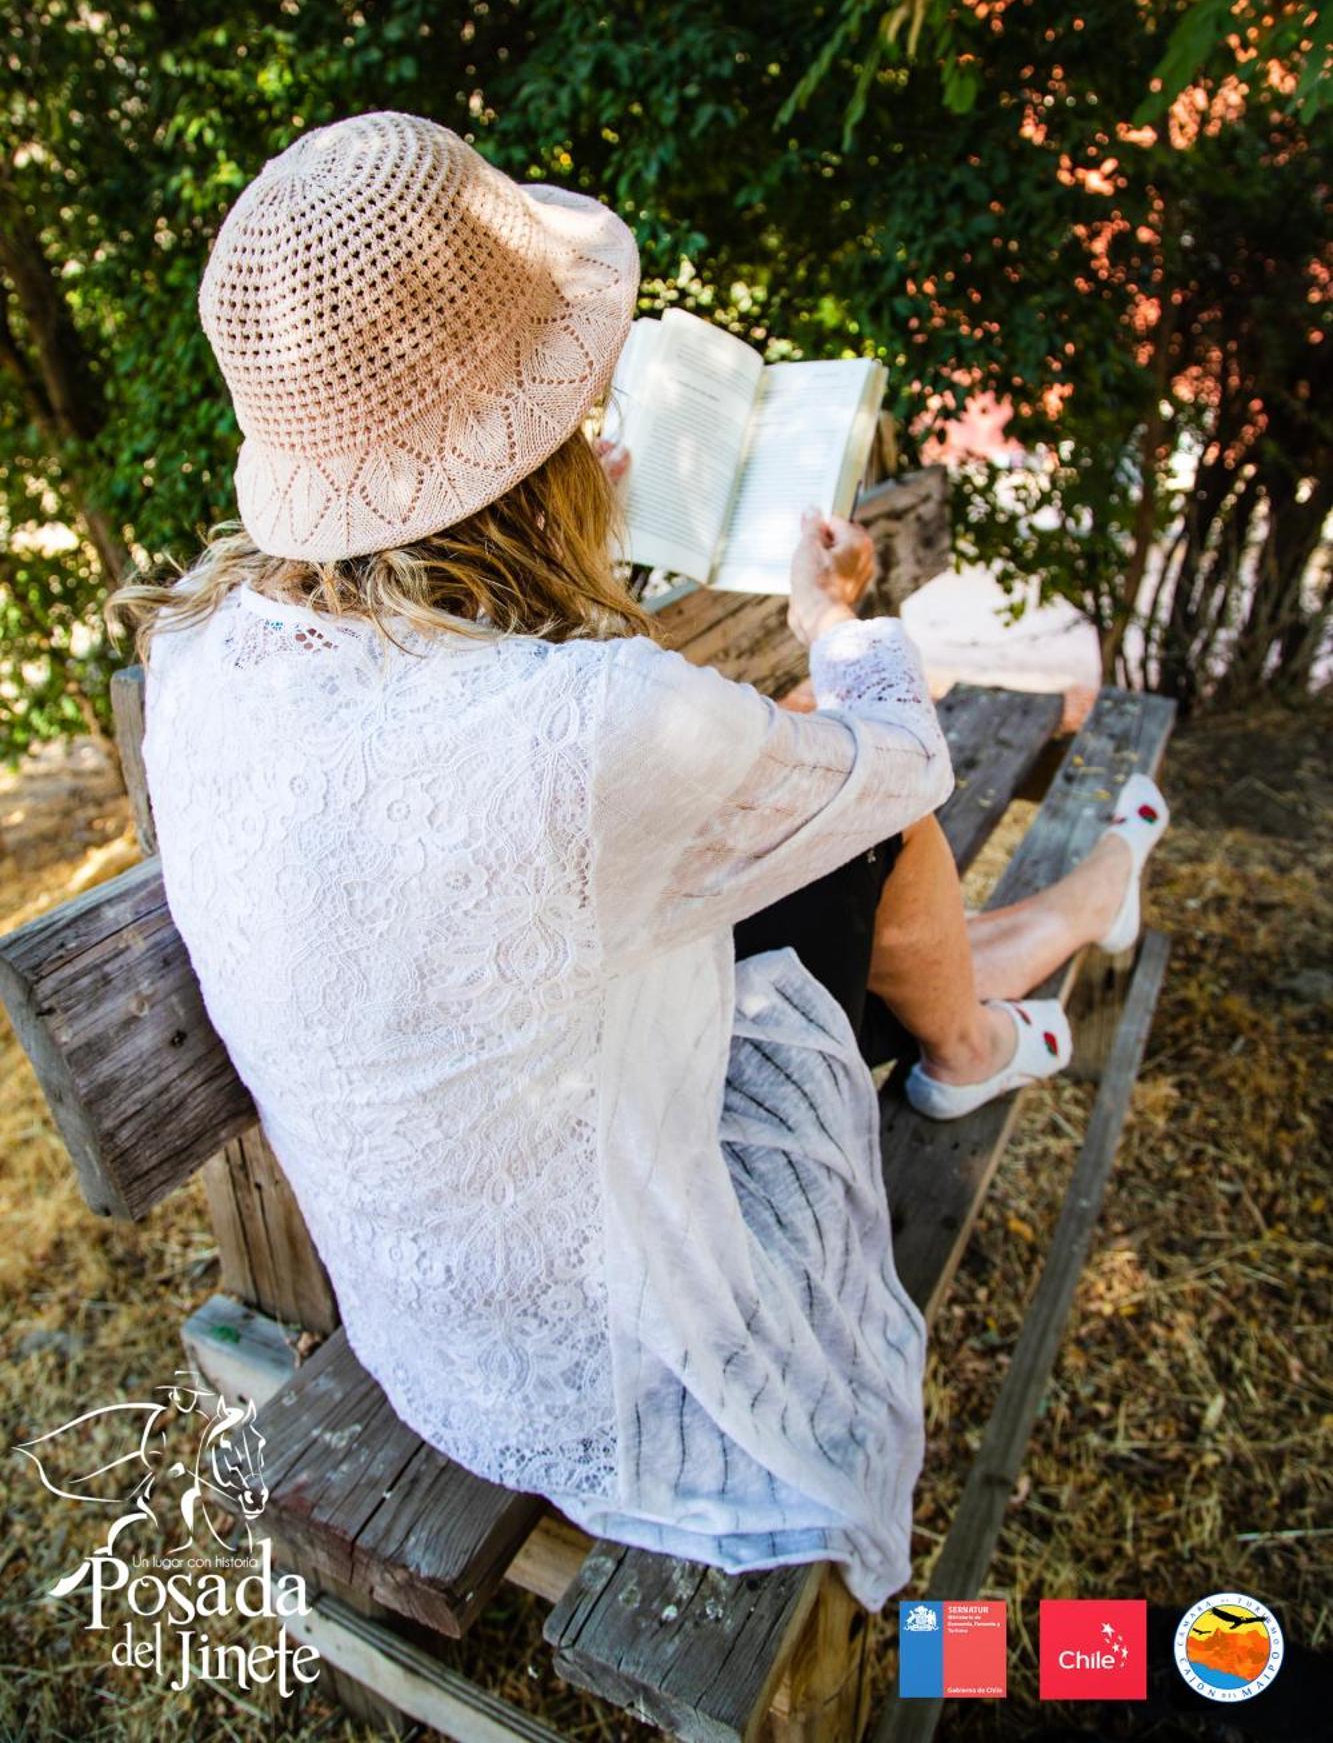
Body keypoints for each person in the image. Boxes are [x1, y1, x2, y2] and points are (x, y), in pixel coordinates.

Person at [107, 112, 1167, 1611]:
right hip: (619, 1346)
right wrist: (834, 623)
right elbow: (900, 763)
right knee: (849, 781)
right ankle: (996, 1001)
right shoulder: (595, 718)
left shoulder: (209, 649)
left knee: (790, 800)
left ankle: (1008, 971)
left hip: (425, 1322)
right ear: (535, 443)